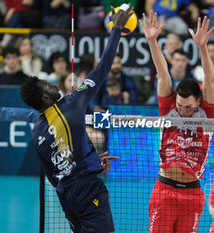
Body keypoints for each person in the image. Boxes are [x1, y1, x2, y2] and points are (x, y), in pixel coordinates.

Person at [20, 6, 132, 233]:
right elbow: (102, 69)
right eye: (48, 85)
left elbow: (55, 176)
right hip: (87, 191)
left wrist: (89, 162)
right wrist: (117, 28)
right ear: (44, 97)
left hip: (66, 197)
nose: (53, 85)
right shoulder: (72, 103)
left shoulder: (36, 132)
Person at [140, 11, 214, 232]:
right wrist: (152, 41)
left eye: (189, 107)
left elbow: (210, 79)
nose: (183, 110)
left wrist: (203, 47)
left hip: (193, 193)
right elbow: (163, 74)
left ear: (199, 102)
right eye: (180, 105)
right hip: (164, 190)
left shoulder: (207, 113)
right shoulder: (168, 107)